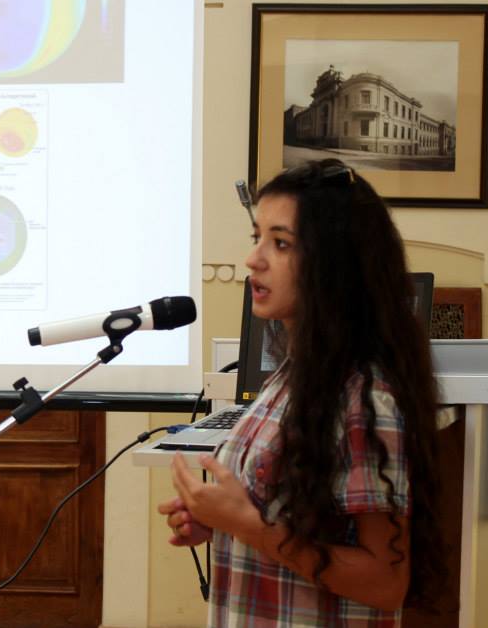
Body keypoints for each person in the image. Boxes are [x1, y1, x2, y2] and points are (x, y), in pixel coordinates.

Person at [159, 159, 445, 627]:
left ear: (334, 264)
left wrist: (246, 524)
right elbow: (286, 520)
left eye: (281, 243)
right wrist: (220, 521)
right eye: (257, 237)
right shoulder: (292, 377)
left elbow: (384, 581)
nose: (253, 259)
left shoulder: (366, 399)